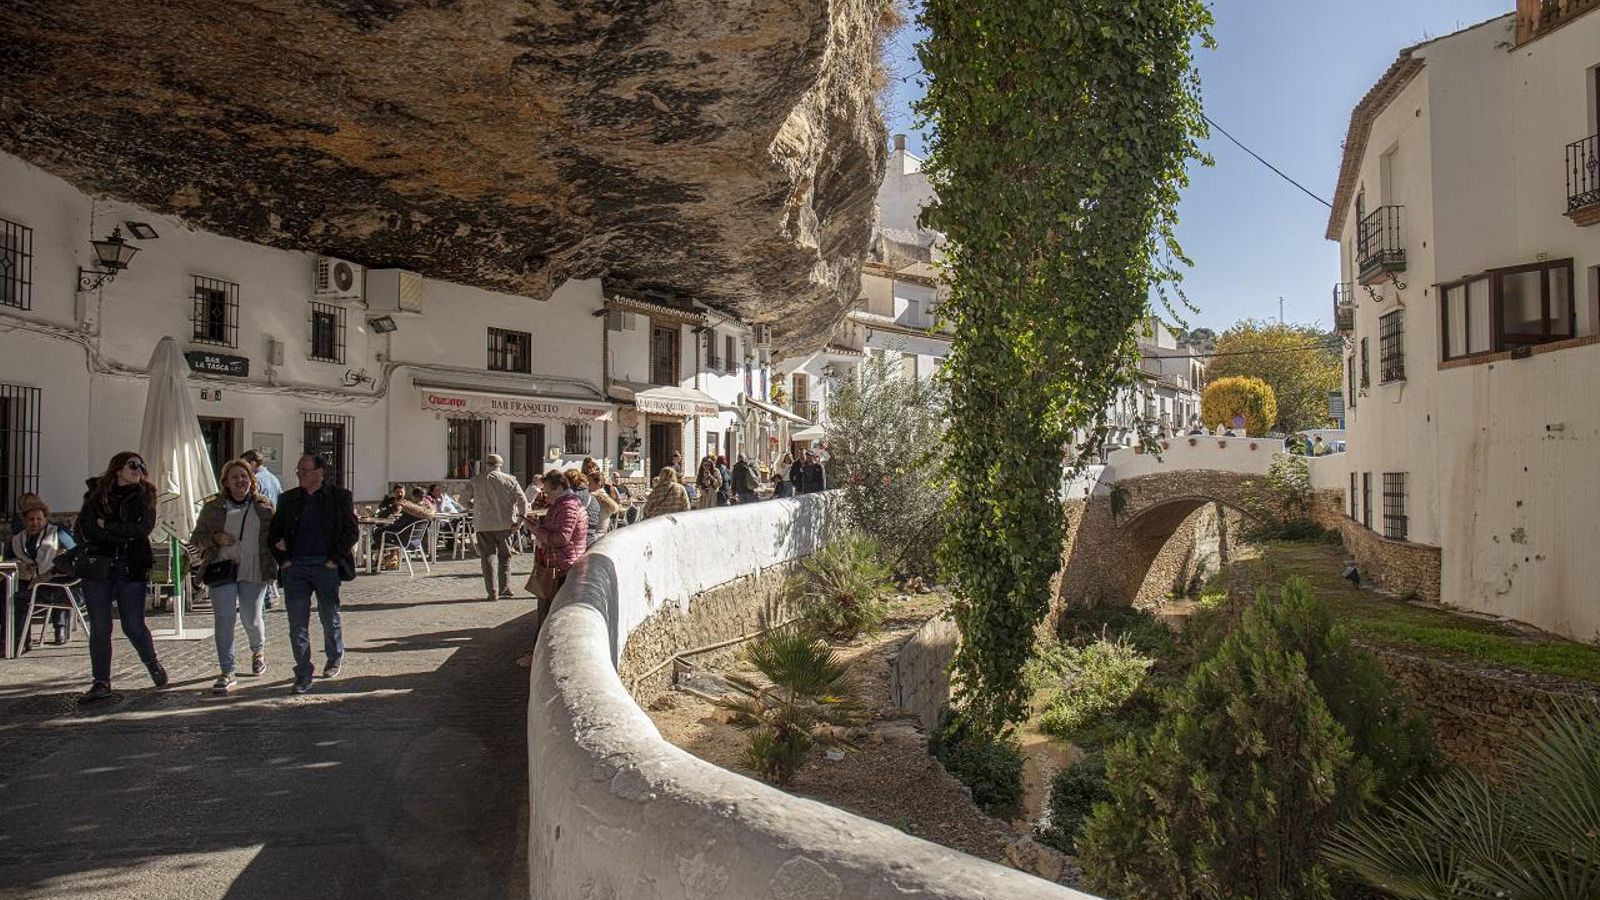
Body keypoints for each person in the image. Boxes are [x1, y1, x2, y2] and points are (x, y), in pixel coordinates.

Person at [73, 451, 166, 704]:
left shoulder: (145, 494)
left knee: (133, 624)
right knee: (100, 627)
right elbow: (86, 528)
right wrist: (118, 534)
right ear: (117, 469)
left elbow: (142, 529)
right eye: (132, 465)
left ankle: (152, 661)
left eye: (140, 465)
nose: (138, 469)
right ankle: (101, 681)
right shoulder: (95, 494)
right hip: (98, 566)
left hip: (131, 566)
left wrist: (109, 527)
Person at [268, 454, 358, 695]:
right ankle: (303, 672)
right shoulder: (288, 499)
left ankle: (334, 656)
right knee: (297, 624)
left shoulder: (339, 497)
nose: (300, 475)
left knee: (329, 616)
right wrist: (284, 562)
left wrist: (332, 561)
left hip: (325, 567)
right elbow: (272, 535)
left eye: (304, 470)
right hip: (295, 568)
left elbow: (351, 532)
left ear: (320, 472)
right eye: (298, 470)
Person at [192, 460, 276, 693]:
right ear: (226, 483)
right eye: (234, 477)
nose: (240, 481)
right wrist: (214, 538)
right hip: (222, 568)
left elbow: (275, 536)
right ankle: (227, 671)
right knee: (224, 620)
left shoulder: (264, 506)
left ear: (252, 480)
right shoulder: (213, 507)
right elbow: (196, 537)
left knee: (251, 618)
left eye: (244, 476)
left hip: (254, 569)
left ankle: (257, 650)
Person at [7, 502, 75, 650]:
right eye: (31, 519)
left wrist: (56, 566)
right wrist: (20, 564)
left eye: (39, 519)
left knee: (18, 598)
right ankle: (9, 639)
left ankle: (19, 642)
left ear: (46, 519)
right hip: (29, 581)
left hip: (57, 584)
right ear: (24, 521)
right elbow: (8, 559)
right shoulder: (17, 539)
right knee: (4, 592)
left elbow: (75, 556)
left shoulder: (57, 534)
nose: (35, 523)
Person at [531, 468, 588, 636]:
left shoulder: (568, 506)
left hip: (561, 564)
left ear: (559, 488)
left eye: (548, 492)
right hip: (560, 560)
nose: (546, 496)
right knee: (545, 610)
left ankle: (536, 653)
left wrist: (538, 531)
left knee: (548, 611)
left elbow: (562, 537)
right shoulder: (566, 504)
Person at [470, 454, 527, 600]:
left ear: (486, 464)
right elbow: (522, 501)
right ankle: (505, 587)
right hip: (505, 524)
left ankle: (492, 591)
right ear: (500, 464)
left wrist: (476, 508)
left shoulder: (476, 480)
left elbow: (465, 500)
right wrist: (520, 521)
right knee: (505, 557)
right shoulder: (510, 480)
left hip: (483, 525)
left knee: (487, 558)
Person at [240, 451, 281, 609]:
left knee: (258, 562)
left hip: (257, 525)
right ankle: (268, 596)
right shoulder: (274, 479)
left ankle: (262, 599)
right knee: (266, 559)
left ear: (253, 463)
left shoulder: (256, 480)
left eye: (245, 463)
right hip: (271, 524)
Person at [585, 471, 621, 546]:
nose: (587, 485)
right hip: (604, 535)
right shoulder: (605, 496)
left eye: (590, 483)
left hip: (594, 537)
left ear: (598, 484)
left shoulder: (593, 497)